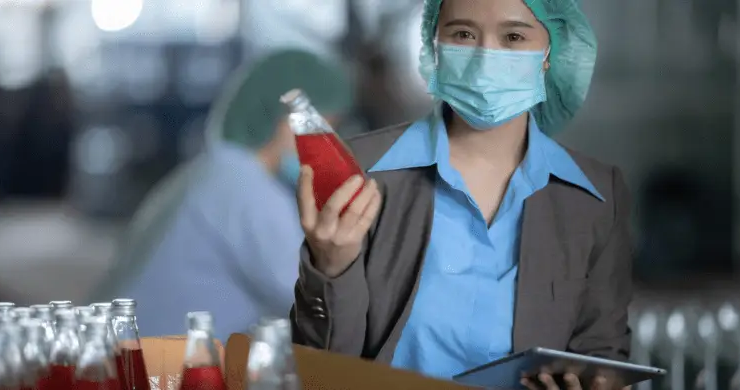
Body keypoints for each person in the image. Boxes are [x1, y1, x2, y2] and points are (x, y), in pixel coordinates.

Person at [291, 0, 632, 389]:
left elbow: (602, 353)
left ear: (550, 53)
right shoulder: (362, 172)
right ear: (434, 43)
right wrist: (331, 267)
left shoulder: (596, 196)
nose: (486, 57)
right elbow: (319, 368)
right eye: (463, 35)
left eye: (514, 36)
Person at [89, 49, 353, 339]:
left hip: (126, 347)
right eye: (325, 129)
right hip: (154, 367)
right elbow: (318, 302)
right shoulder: (247, 191)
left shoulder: (216, 170)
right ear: (288, 123)